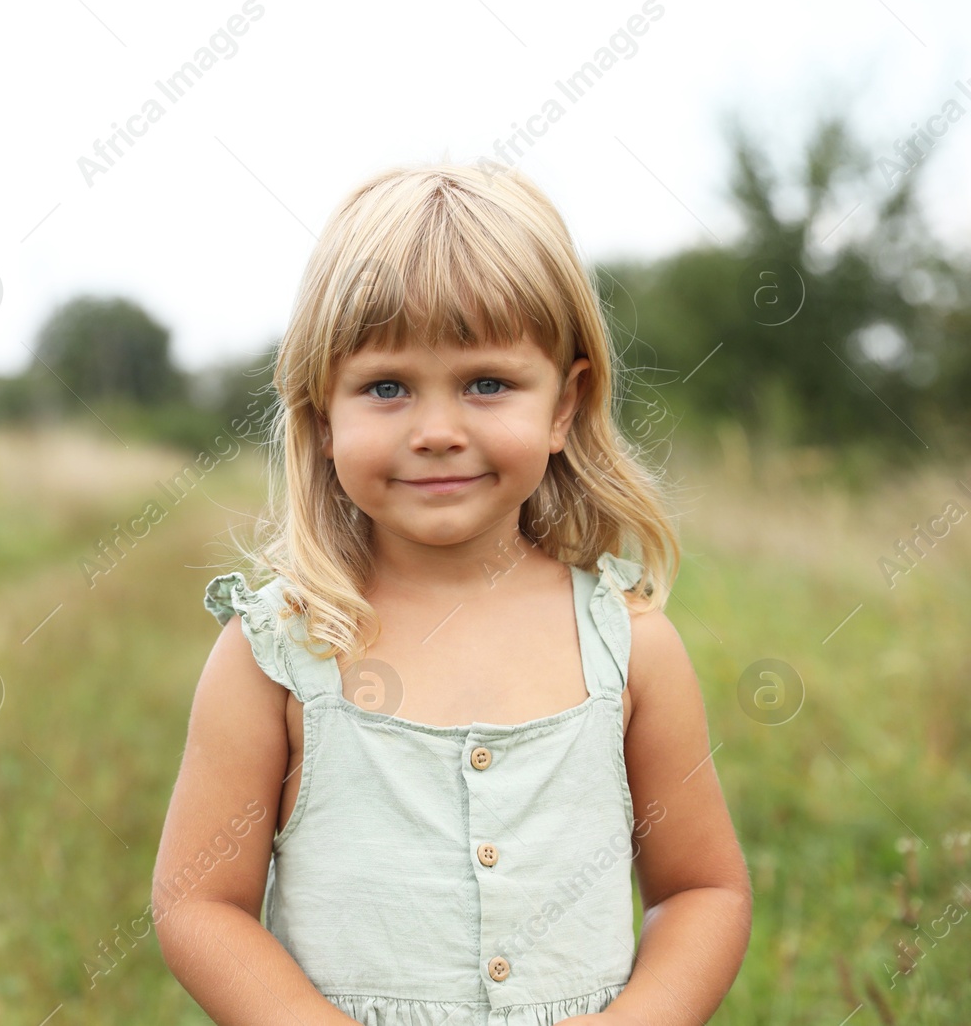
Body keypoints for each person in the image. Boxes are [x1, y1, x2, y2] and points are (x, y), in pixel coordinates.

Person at [152, 163, 752, 1025]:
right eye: (386, 387)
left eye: (487, 383)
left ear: (564, 404)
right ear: (325, 416)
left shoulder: (629, 643)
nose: (437, 431)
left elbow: (703, 888)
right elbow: (197, 903)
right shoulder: (279, 650)